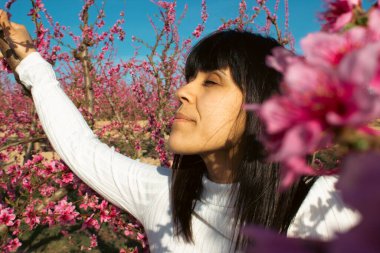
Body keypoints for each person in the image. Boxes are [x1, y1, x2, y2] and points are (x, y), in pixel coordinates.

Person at [0, 10, 359, 253]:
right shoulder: (163, 195)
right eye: (190, 79)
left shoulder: (334, 206)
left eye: (212, 82)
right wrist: (30, 62)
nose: (182, 91)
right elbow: (81, 148)